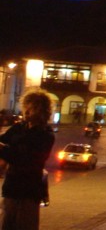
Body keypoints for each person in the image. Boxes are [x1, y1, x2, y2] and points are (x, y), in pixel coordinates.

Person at [0, 91, 55, 230]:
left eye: (32, 108)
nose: (27, 111)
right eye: (26, 107)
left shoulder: (45, 135)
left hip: (29, 190)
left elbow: (26, 160)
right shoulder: (18, 128)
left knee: (25, 225)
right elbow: (4, 140)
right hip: (11, 187)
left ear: (42, 111)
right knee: (6, 224)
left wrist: (3, 150)